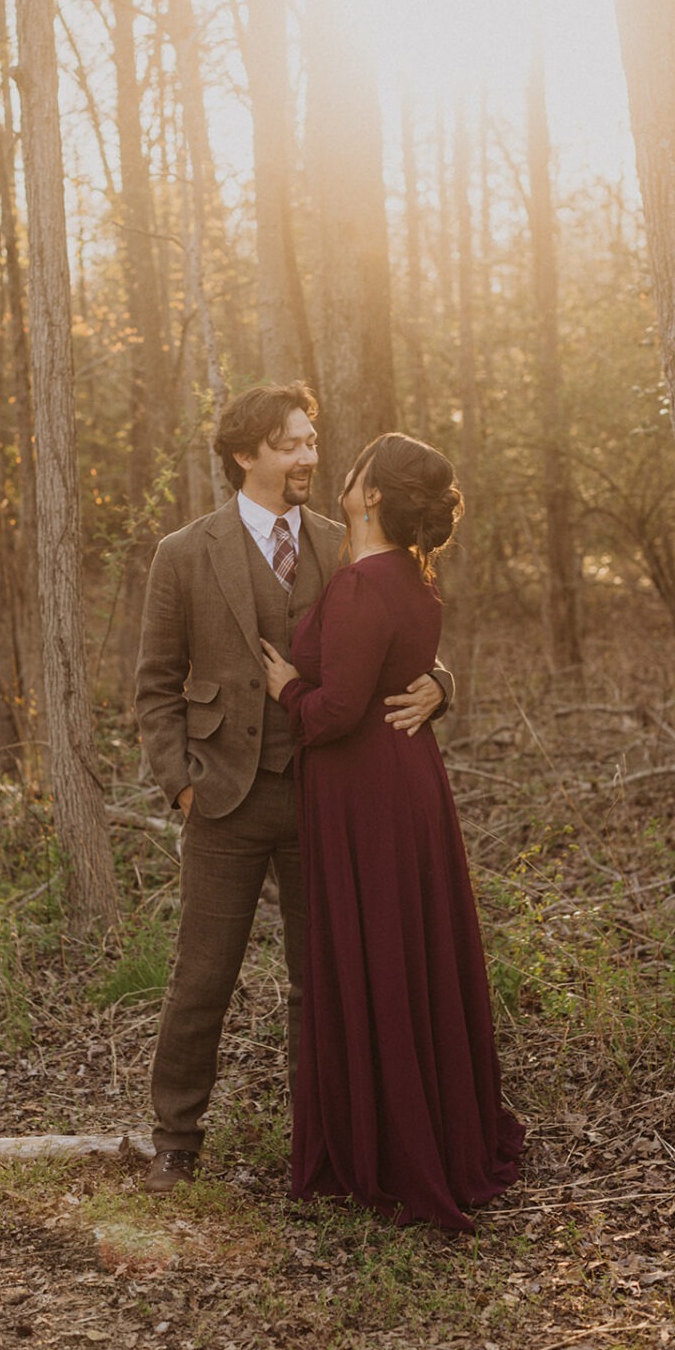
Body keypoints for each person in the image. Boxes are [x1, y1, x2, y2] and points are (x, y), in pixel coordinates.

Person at [135, 384, 452, 1194]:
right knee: (202, 977)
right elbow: (156, 686)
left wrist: (442, 684)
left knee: (325, 982)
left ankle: (325, 1143)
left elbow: (392, 631)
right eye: (292, 444)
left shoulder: (342, 541)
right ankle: (176, 1138)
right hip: (226, 799)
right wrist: (181, 787)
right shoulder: (184, 552)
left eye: (313, 442)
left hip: (327, 801)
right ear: (248, 455)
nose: (311, 457)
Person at [262, 432, 524, 1230]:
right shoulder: (412, 576)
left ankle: (391, 1144)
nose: (342, 472)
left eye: (357, 469)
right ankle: (424, 1126)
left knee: (377, 950)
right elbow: (397, 662)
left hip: (364, 790)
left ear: (373, 494)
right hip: (408, 783)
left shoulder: (360, 585)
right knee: (407, 949)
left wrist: (285, 689)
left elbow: (339, 709)